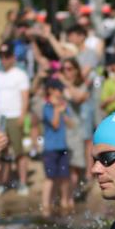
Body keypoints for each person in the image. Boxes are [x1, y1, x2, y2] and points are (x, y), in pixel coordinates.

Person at [0, 43, 31, 197]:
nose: (4, 60)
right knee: (1, 152)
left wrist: (22, 115)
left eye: (7, 56)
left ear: (13, 57)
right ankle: (2, 183)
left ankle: (23, 183)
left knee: (19, 152)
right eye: (1, 56)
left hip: (14, 116)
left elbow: (25, 97)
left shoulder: (20, 75)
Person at [59, 57, 92, 193]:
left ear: (76, 70)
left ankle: (77, 186)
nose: (67, 72)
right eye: (64, 69)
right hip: (61, 126)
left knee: (76, 159)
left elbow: (79, 97)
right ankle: (69, 190)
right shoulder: (60, 85)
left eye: (69, 69)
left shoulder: (81, 84)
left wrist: (66, 83)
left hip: (77, 126)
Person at [41, 79, 73, 214]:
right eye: (57, 90)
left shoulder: (64, 106)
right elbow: (54, 124)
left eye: (60, 90)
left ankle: (65, 201)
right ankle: (45, 205)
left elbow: (71, 124)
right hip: (50, 148)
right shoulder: (47, 107)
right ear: (50, 91)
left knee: (65, 176)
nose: (59, 93)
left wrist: (63, 111)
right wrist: (56, 110)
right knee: (50, 177)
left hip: (63, 146)